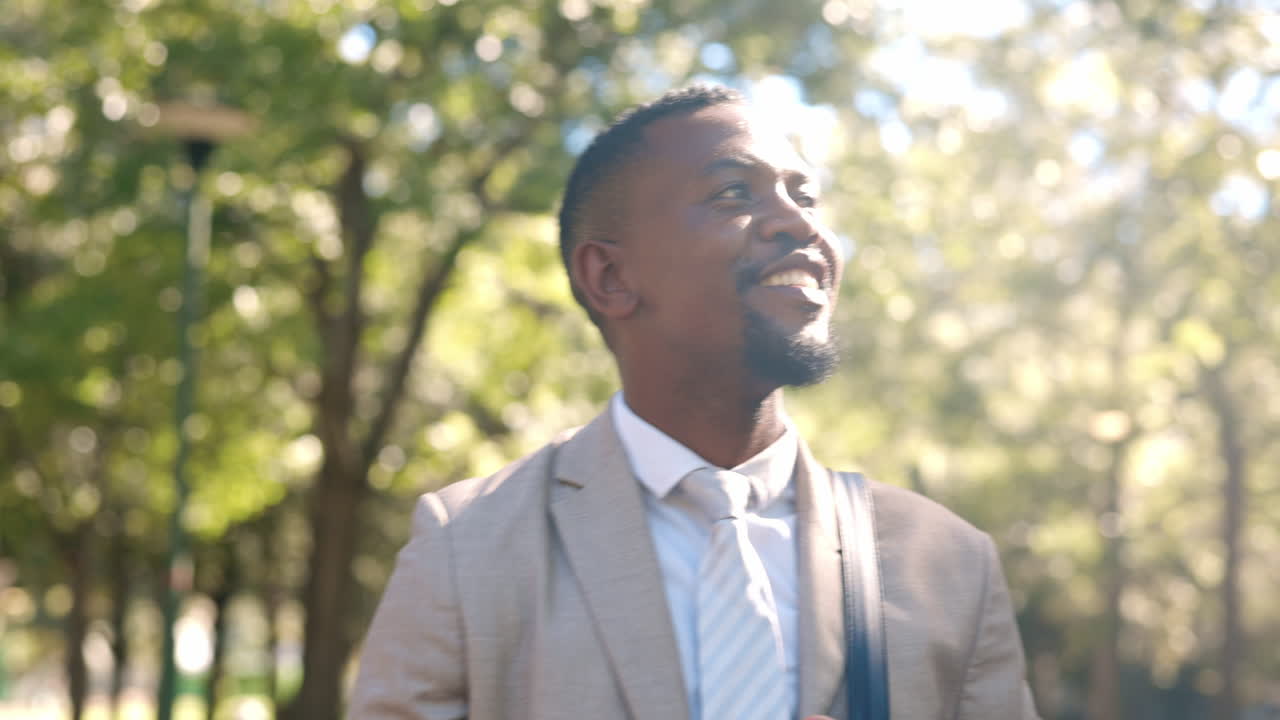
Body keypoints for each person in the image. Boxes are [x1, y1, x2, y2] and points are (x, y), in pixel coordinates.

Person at [349, 85, 1040, 720]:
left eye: (806, 197)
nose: (796, 224)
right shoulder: (467, 548)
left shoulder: (950, 563)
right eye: (735, 194)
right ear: (611, 277)